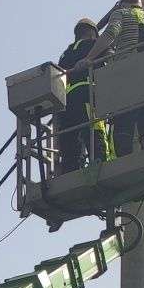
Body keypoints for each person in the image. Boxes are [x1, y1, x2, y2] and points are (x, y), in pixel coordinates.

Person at [86, 0, 144, 157]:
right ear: (140, 2)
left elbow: (110, 34)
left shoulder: (121, 14)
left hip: (127, 72)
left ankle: (125, 157)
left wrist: (90, 58)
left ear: (123, 2)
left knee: (123, 123)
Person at [55, 18, 101, 174]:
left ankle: (70, 170)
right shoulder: (93, 46)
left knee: (70, 138)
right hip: (87, 93)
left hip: (66, 101)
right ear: (92, 32)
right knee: (94, 129)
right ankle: (100, 161)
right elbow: (106, 64)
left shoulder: (66, 53)